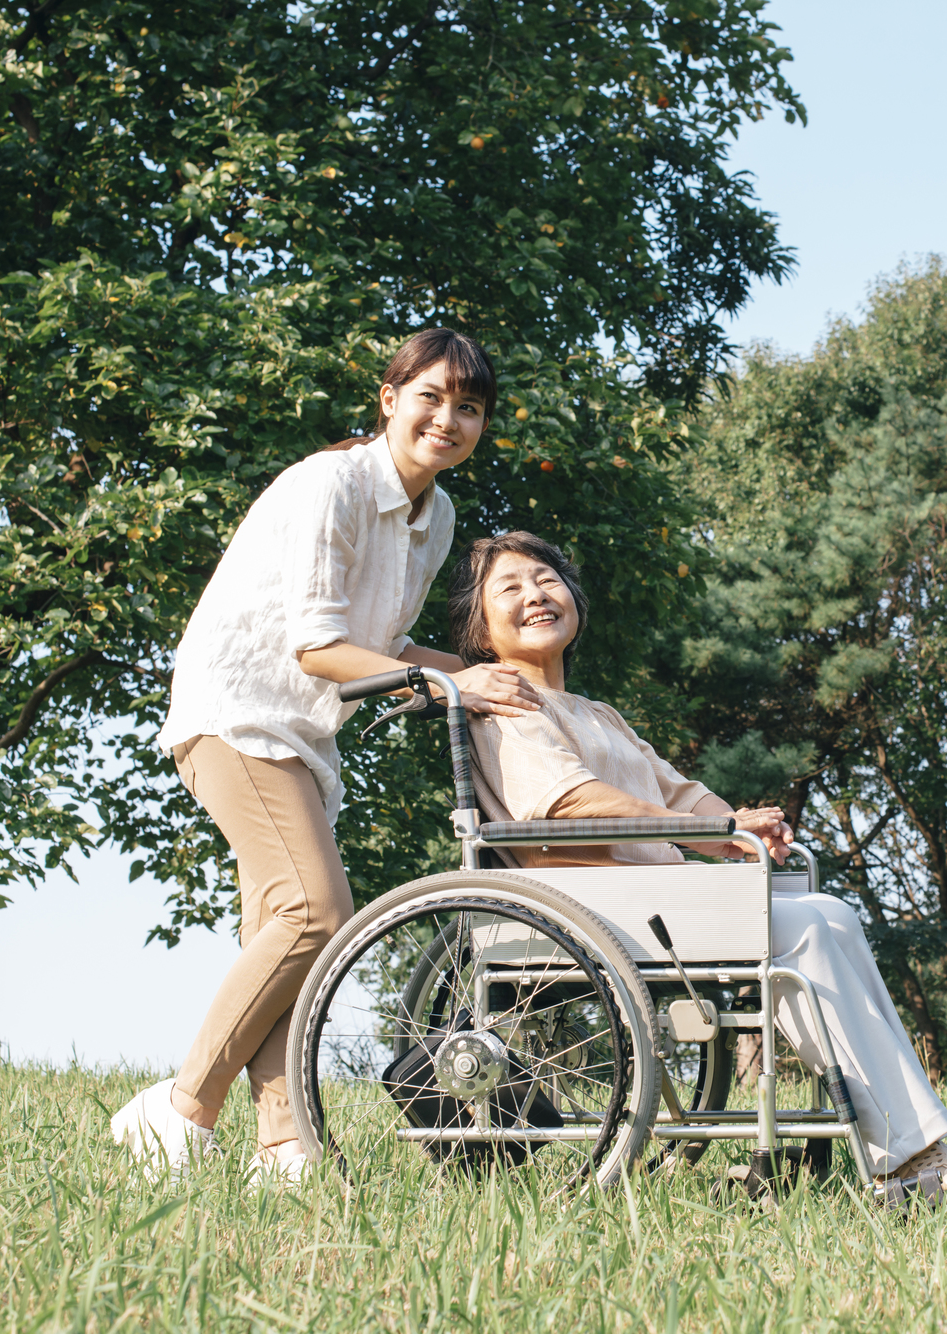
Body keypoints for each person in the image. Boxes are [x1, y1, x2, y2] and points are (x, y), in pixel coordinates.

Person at [447, 530, 947, 1198]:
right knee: (799, 927)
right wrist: (707, 830)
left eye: (546, 580)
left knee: (823, 912)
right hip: (587, 900)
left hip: (653, 898)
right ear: (481, 630)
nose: (536, 595)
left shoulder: (600, 715)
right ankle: (906, 1157)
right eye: (509, 588)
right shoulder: (502, 706)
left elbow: (679, 793)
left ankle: (903, 1144)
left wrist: (737, 826)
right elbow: (568, 801)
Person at [110, 330, 541, 1187]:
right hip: (238, 713)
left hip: (303, 733)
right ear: (390, 398)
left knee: (283, 933)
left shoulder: (437, 517)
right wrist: (456, 687)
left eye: (470, 408)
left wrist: (482, 674)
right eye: (431, 397)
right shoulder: (330, 484)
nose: (447, 420)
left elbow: (384, 645)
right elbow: (319, 648)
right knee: (317, 912)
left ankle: (285, 1146)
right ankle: (180, 1106)